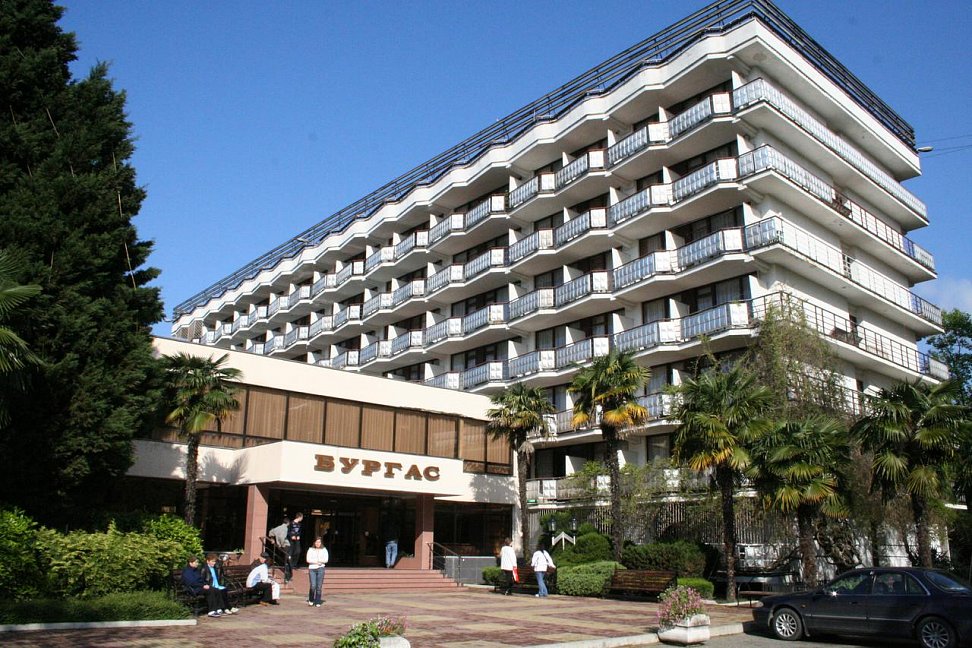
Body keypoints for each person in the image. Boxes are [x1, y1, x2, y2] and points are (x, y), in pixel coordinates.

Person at [201, 553, 238, 617]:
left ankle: (227, 608)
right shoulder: (204, 569)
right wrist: (205, 585)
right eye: (212, 561)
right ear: (208, 561)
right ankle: (226, 608)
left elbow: (218, 577)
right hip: (211, 586)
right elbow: (202, 580)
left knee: (224, 589)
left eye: (214, 561)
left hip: (216, 585)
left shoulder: (214, 568)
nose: (214, 563)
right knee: (220, 591)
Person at [305, 536, 329, 607]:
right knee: (313, 585)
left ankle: (318, 601)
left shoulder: (324, 550)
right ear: (314, 543)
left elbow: (326, 559)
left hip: (321, 568)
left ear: (321, 543)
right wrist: (316, 562)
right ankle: (311, 599)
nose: (318, 543)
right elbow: (308, 559)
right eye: (316, 542)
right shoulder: (311, 550)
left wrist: (320, 561)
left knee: (319, 586)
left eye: (319, 542)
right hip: (312, 569)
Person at [269, 516, 291, 581]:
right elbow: (282, 537)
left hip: (280, 545)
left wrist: (272, 539)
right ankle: (288, 576)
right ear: (288, 523)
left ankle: (287, 575)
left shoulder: (278, 528)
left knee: (284, 559)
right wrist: (282, 544)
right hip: (285, 545)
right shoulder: (285, 528)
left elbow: (270, 532)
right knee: (287, 560)